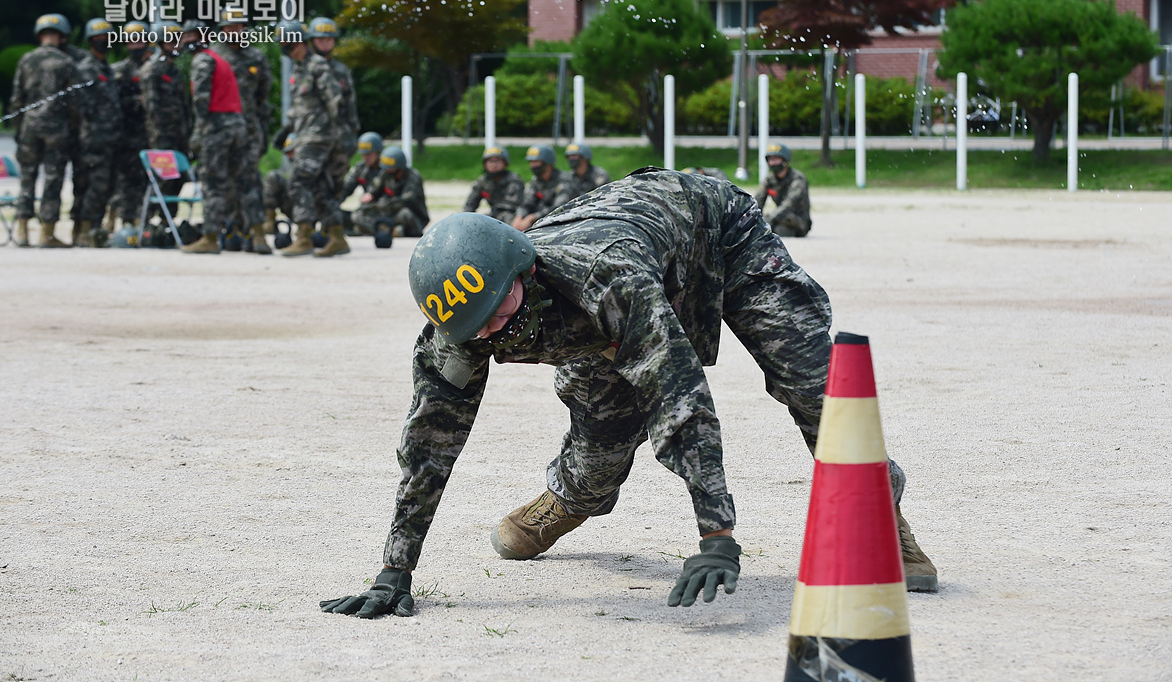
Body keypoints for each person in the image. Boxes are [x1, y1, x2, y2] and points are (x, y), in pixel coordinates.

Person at [319, 168, 937, 620]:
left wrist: (716, 536)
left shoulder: (603, 279)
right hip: (611, 293)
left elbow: (678, 398)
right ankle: (571, 496)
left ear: (523, 271)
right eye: (474, 325)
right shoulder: (462, 326)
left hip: (716, 231)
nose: (491, 330)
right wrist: (395, 568)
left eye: (498, 309)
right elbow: (428, 443)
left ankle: (882, 513)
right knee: (599, 449)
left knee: (809, 380)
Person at [272, 20, 345, 257]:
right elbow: (300, 108)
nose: (284, 47)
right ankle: (337, 237)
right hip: (305, 135)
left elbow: (335, 101)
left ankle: (303, 236)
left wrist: (340, 137)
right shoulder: (299, 69)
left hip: (318, 137)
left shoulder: (317, 66)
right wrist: (286, 131)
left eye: (286, 42)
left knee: (298, 181)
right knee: (319, 186)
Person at [179, 21, 249, 254]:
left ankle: (210, 237)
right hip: (236, 123)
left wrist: (198, 133)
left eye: (192, 36)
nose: (188, 40)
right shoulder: (220, 59)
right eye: (185, 35)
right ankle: (251, 232)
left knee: (212, 182)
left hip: (217, 124)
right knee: (239, 180)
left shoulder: (202, 60)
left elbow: (201, 99)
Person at [9, 13, 80, 247]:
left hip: (29, 126)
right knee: (53, 179)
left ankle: (21, 230)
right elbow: (73, 102)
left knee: (27, 178)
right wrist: (73, 126)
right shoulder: (66, 62)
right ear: (62, 36)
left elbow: (16, 99)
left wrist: (19, 130)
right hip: (56, 129)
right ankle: (46, 233)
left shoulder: (27, 60)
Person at [216, 9, 273, 254]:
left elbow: (263, 93)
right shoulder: (214, 56)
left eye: (238, 26)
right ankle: (230, 227)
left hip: (249, 129)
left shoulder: (256, 57)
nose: (234, 31)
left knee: (250, 179)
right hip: (221, 129)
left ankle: (256, 231)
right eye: (230, 27)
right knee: (224, 180)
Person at [307, 17, 360, 250]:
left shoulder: (341, 70)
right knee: (315, 183)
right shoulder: (308, 67)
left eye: (329, 39)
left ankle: (331, 231)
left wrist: (352, 133)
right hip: (316, 137)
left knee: (334, 185)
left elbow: (350, 106)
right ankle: (317, 229)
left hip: (339, 138)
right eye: (321, 38)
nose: (325, 43)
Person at [70, 18, 123, 247]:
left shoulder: (106, 69)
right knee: (90, 186)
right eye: (97, 39)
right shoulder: (86, 69)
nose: (102, 42)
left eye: (105, 38)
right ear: (90, 42)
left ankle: (91, 229)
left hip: (109, 139)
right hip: (91, 140)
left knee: (103, 187)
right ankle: (83, 230)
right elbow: (81, 108)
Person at [139, 22, 192, 224]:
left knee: (177, 180)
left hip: (179, 136)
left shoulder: (174, 71)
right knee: (163, 180)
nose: (176, 46)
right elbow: (152, 109)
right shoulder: (152, 70)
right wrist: (160, 138)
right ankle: (149, 222)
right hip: (162, 138)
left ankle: (167, 223)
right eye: (171, 42)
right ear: (161, 44)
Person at [109, 20, 154, 234]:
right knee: (125, 180)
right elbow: (112, 104)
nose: (136, 45)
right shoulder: (118, 71)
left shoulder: (156, 68)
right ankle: (125, 221)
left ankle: (145, 221)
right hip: (126, 136)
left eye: (139, 41)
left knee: (149, 181)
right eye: (131, 42)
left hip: (153, 135)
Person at [365, 145, 428, 237]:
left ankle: (384, 230)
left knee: (405, 214)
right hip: (388, 212)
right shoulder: (385, 174)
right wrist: (369, 195)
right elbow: (374, 189)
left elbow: (407, 200)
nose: (387, 170)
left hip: (411, 215)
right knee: (359, 215)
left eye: (390, 167)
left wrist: (385, 204)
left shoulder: (413, 177)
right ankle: (391, 231)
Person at [510, 145, 576, 232]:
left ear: (547, 163)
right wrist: (519, 216)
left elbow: (559, 208)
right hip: (542, 221)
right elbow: (527, 202)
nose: (533, 165)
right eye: (531, 162)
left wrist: (532, 217)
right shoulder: (536, 181)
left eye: (536, 162)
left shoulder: (565, 180)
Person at [754, 142, 812, 238]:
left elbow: (789, 203)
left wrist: (770, 218)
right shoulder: (769, 179)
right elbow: (758, 200)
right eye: (771, 160)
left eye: (776, 159)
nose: (773, 163)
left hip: (798, 220)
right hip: (778, 217)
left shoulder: (797, 178)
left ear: (785, 160)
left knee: (784, 222)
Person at [340, 131, 389, 235]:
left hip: (385, 210)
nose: (366, 157)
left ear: (378, 152)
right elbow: (346, 188)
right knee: (337, 215)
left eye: (369, 154)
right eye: (363, 154)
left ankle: (383, 230)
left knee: (358, 216)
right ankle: (360, 228)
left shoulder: (388, 169)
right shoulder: (360, 168)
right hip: (366, 211)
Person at [462, 145, 525, 224]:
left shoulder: (513, 180)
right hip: (494, 215)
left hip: (513, 216)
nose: (494, 165)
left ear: (505, 163)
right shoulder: (483, 181)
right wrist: (465, 218)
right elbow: (470, 204)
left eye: (498, 161)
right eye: (490, 161)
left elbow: (510, 206)